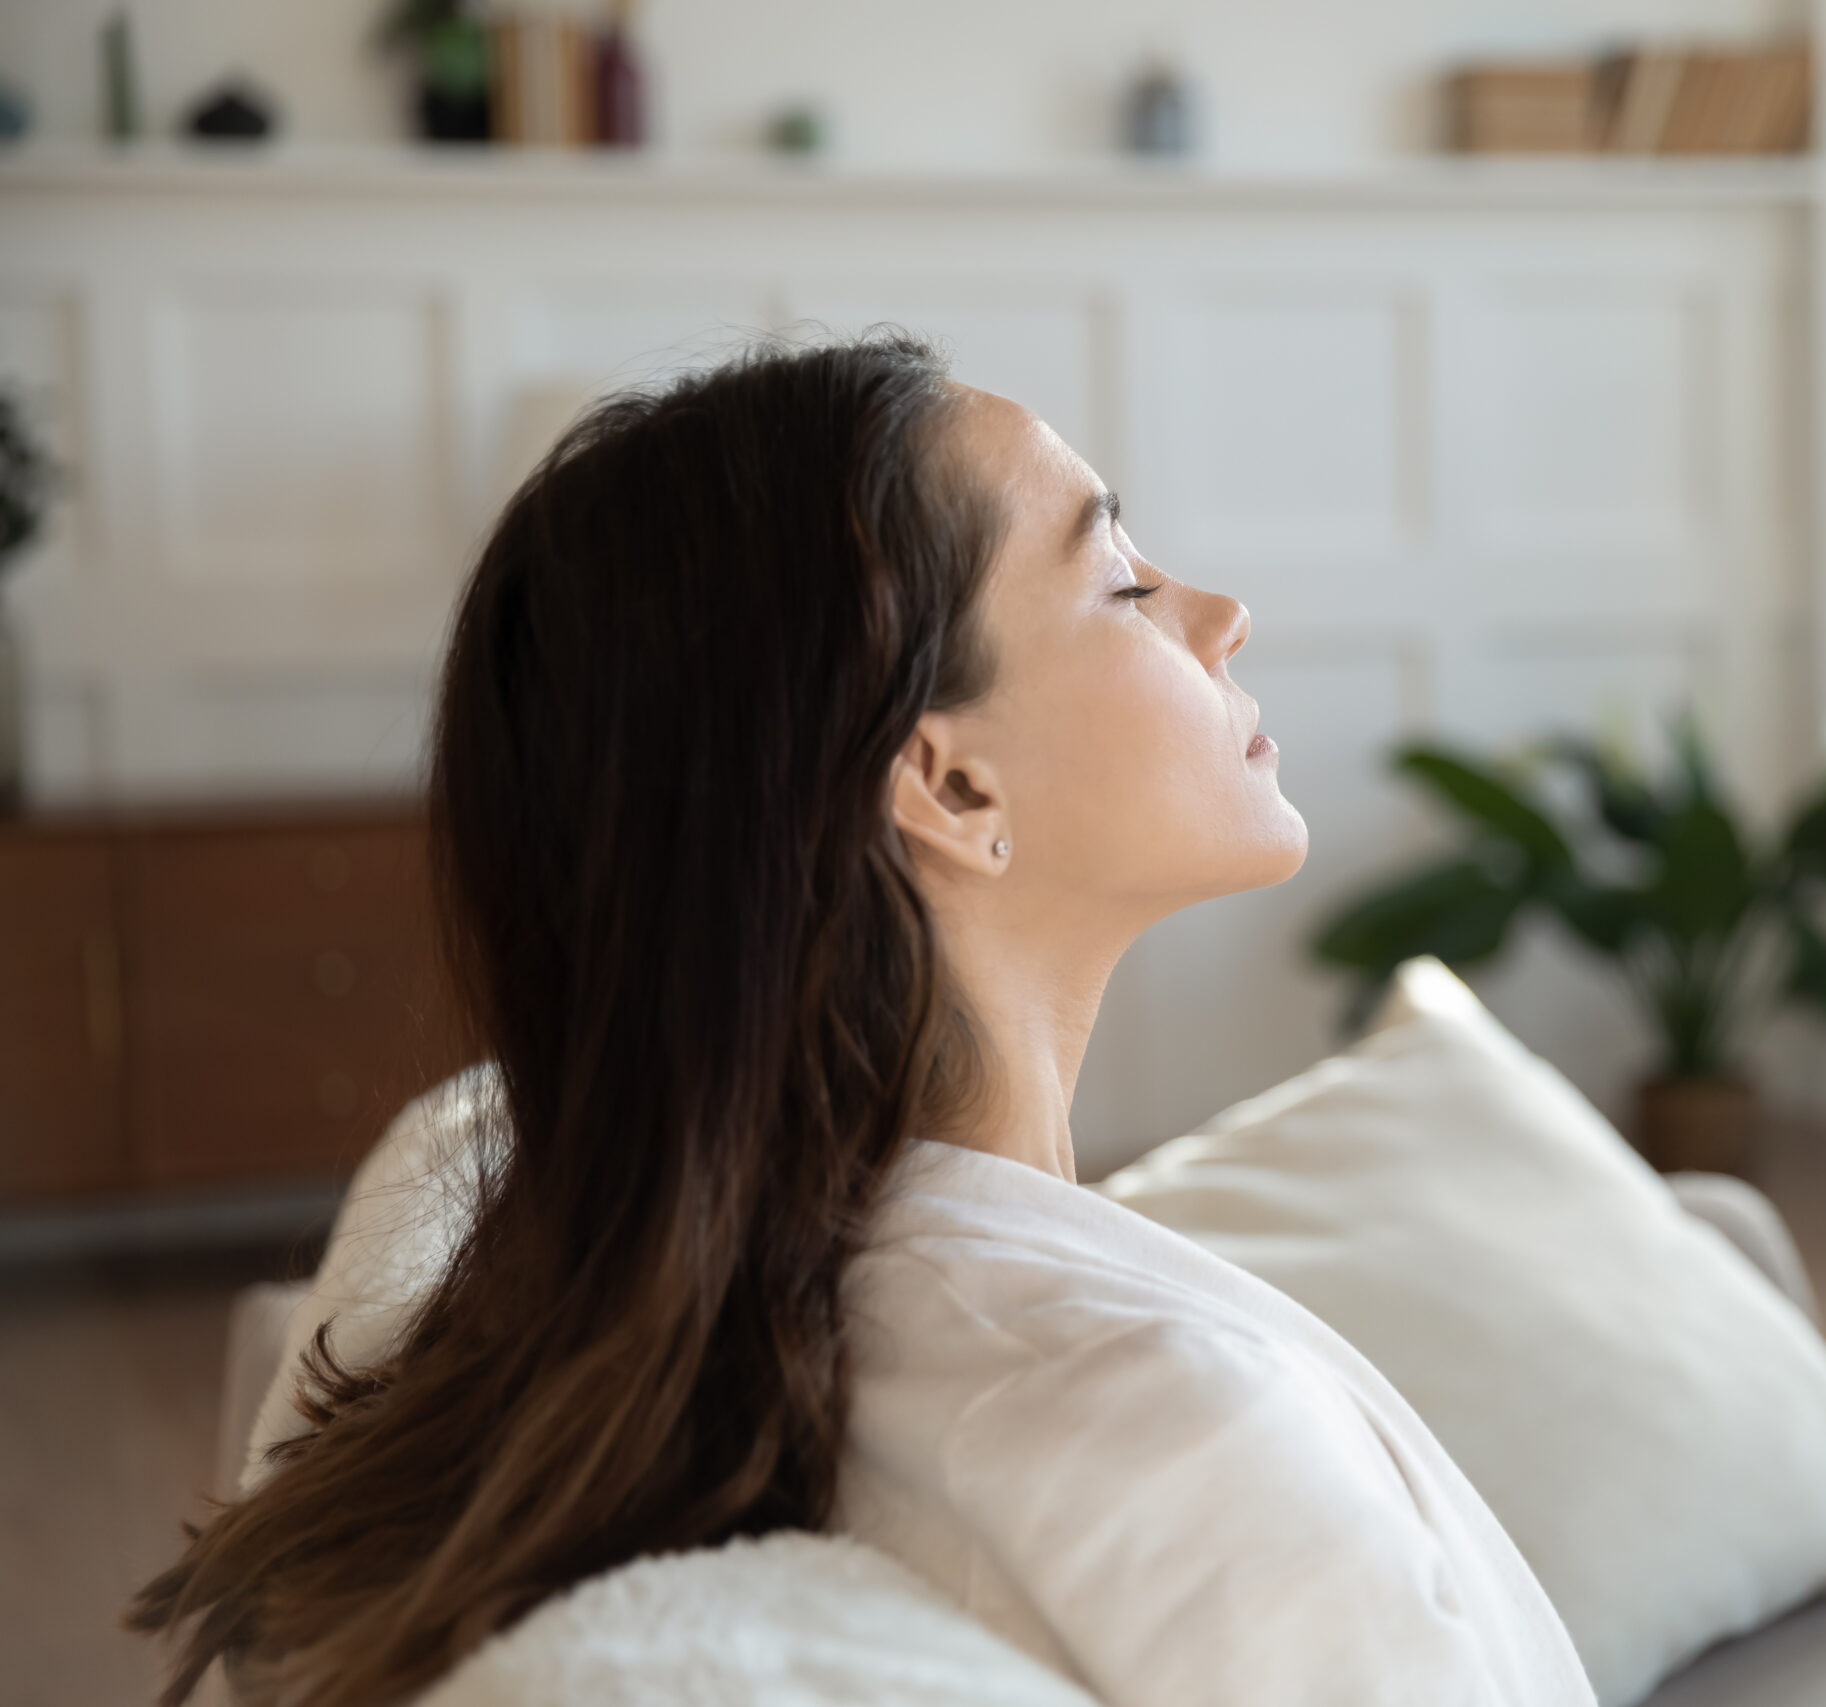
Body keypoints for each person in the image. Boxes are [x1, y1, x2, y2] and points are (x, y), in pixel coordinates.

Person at [128, 337, 1595, 1707]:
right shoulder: (1171, 1430)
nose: (1220, 616)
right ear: (951, 787)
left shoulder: (653, 1299)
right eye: (1127, 587)